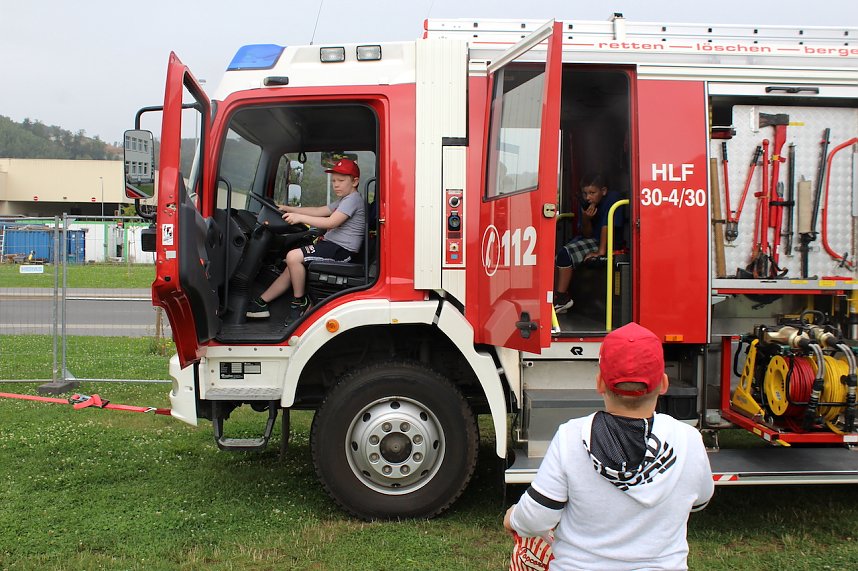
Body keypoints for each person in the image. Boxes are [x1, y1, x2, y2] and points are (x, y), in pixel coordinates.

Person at [503, 322, 714, 570]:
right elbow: (700, 500)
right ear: (664, 384)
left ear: (600, 383)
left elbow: (537, 517)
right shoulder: (688, 440)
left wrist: (513, 518)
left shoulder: (571, 436)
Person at [247, 158, 366, 323]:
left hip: (341, 250)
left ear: (355, 181)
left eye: (341, 180)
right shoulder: (344, 199)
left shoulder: (353, 200)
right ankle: (262, 303)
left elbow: (331, 222)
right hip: (331, 246)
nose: (336, 185)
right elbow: (320, 210)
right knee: (292, 266)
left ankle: (300, 301)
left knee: (293, 257)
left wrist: (298, 217)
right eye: (333, 181)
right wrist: (289, 208)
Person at [553, 174, 624, 314]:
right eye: (585, 193)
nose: (588, 197)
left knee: (565, 254)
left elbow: (607, 226)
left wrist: (601, 252)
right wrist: (586, 218)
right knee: (559, 256)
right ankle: (558, 296)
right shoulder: (585, 204)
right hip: (593, 239)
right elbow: (587, 234)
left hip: (609, 241)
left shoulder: (613, 198)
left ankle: (562, 300)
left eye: (592, 193)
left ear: (603, 191)